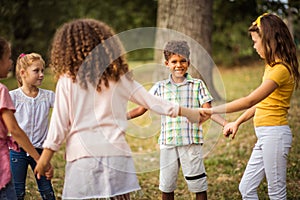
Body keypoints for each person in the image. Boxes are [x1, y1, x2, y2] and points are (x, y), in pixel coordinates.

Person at [34, 19, 202, 200]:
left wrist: (44, 159)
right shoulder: (118, 79)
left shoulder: (67, 81)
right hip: (116, 156)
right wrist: (189, 112)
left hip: (82, 157)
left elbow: (59, 126)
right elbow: (153, 102)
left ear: (66, 50)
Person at [200, 13, 299, 199]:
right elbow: (262, 103)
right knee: (246, 188)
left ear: (268, 40)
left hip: (275, 134)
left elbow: (249, 100)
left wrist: (211, 110)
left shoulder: (280, 70)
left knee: (276, 193)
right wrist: (237, 122)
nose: (254, 46)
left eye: (255, 41)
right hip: (265, 136)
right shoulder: (271, 66)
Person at [127, 40, 227, 200]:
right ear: (167, 63)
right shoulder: (160, 87)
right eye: (174, 61)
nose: (178, 65)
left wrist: (225, 124)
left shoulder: (197, 85)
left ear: (189, 62)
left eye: (183, 61)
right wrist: (120, 117)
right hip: (168, 143)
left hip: (191, 142)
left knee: (198, 185)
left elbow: (208, 111)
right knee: (167, 186)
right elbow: (141, 108)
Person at [0, 37, 52, 200]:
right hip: (17, 152)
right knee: (17, 192)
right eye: (37, 71)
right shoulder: (11, 95)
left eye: (43, 70)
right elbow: (13, 129)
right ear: (23, 73)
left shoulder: (48, 96)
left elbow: (67, 108)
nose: (42, 74)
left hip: (40, 151)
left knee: (47, 191)